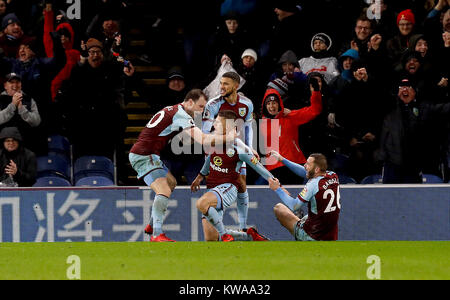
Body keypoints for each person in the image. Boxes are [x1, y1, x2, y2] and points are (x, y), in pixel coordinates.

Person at [131, 89, 236, 242]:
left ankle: (152, 225)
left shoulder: (173, 110)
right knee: (164, 189)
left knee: (171, 183)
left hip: (150, 155)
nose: (202, 111)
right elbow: (204, 141)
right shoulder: (181, 115)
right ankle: (156, 234)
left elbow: (190, 140)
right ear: (190, 102)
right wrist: (229, 136)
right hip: (144, 156)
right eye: (200, 107)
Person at [191, 110, 272, 242]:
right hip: (212, 189)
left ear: (227, 127)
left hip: (228, 187)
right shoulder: (215, 141)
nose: (214, 125)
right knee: (211, 238)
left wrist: (273, 181)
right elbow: (209, 160)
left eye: (217, 122)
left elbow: (259, 167)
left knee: (201, 203)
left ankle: (224, 234)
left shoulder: (238, 148)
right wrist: (200, 177)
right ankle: (249, 237)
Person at [202, 71, 255, 232]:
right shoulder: (212, 104)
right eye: (221, 83)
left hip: (237, 150)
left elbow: (248, 128)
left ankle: (243, 227)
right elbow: (204, 132)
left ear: (236, 86)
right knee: (216, 187)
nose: (222, 87)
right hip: (216, 151)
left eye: (226, 84)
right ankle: (219, 229)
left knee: (241, 182)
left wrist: (249, 147)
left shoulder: (247, 104)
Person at [375, 78, 450, 183]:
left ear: (414, 92)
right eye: (401, 87)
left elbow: (444, 109)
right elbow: (375, 96)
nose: (405, 90)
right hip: (392, 165)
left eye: (409, 87)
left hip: (414, 166)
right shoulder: (389, 107)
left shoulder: (424, 109)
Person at [259, 75, 323, 184]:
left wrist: (315, 92)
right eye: (268, 104)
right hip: (273, 167)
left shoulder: (290, 116)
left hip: (293, 163)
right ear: (265, 106)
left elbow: (315, 110)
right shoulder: (262, 123)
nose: (271, 106)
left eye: (274, 103)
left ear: (279, 104)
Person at [268, 151, 341, 241]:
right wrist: (282, 159)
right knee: (313, 213)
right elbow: (305, 172)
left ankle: (301, 233)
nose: (305, 166)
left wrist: (277, 189)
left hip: (312, 236)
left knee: (279, 208)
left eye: (308, 164)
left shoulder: (313, 184)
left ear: (317, 169)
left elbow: (294, 205)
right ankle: (300, 219)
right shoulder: (333, 175)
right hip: (331, 236)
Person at [0, 73, 42, 154]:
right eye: (11, 82)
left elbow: (37, 122)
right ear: (5, 85)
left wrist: (21, 109)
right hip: (2, 147)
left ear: (21, 84)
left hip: (26, 145)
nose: (15, 85)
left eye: (17, 82)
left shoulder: (29, 99)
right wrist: (12, 106)